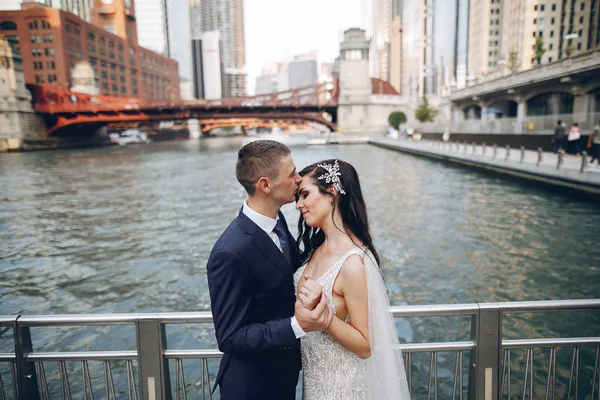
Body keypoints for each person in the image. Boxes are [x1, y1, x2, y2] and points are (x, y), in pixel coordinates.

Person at [206, 140, 334, 400]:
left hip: (283, 377)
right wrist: (297, 326)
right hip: (252, 386)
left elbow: (288, 267)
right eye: (292, 174)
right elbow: (230, 338)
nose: (298, 180)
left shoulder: (278, 221)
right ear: (265, 185)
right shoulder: (230, 252)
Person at [294, 159, 411, 400]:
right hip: (315, 382)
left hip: (342, 388)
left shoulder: (353, 263)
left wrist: (325, 318)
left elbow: (365, 345)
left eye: (305, 195)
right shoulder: (315, 249)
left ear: (331, 194)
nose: (298, 205)